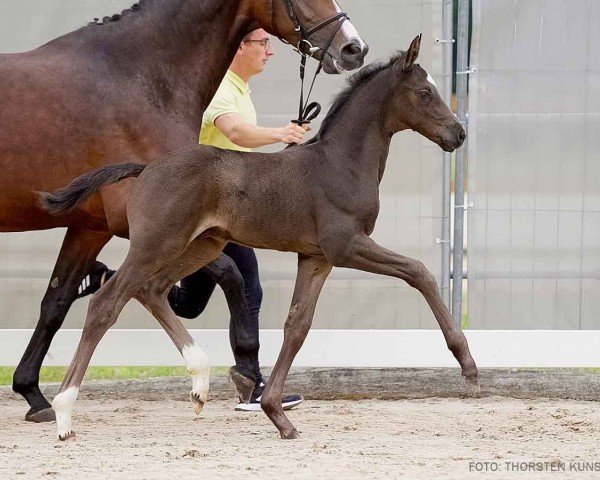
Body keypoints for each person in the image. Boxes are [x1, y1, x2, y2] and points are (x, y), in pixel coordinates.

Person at [78, 29, 309, 411]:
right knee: (246, 282)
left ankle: (104, 278)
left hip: (231, 203)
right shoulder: (221, 87)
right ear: (240, 47)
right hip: (207, 205)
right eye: (262, 44)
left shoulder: (240, 89)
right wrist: (280, 132)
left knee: (188, 303)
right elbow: (235, 132)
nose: (269, 51)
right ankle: (251, 382)